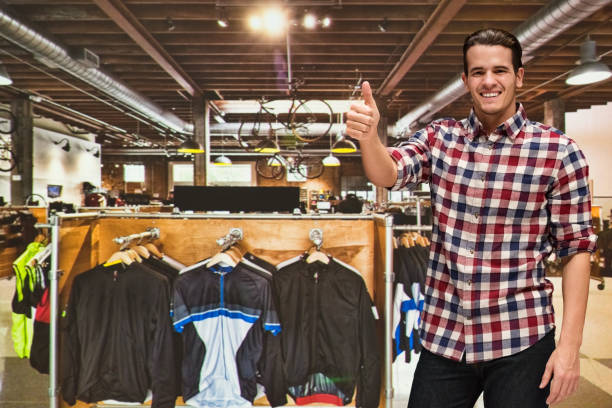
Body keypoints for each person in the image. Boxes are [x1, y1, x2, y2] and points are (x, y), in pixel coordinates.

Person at [346, 28, 596, 407]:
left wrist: (569, 347)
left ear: (519, 76)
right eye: (478, 72)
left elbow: (576, 249)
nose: (489, 81)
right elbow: (389, 172)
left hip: (521, 337)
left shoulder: (559, 152)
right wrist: (369, 138)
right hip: (445, 337)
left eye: (500, 70)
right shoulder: (440, 139)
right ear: (465, 80)